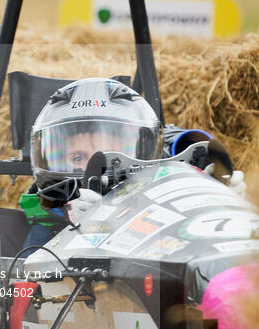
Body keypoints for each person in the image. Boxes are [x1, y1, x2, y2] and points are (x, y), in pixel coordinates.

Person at [19, 78, 245, 254]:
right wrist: (73, 234)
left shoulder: (162, 202)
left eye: (113, 155)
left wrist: (221, 206)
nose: (94, 168)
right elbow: (26, 295)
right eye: (78, 158)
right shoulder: (44, 228)